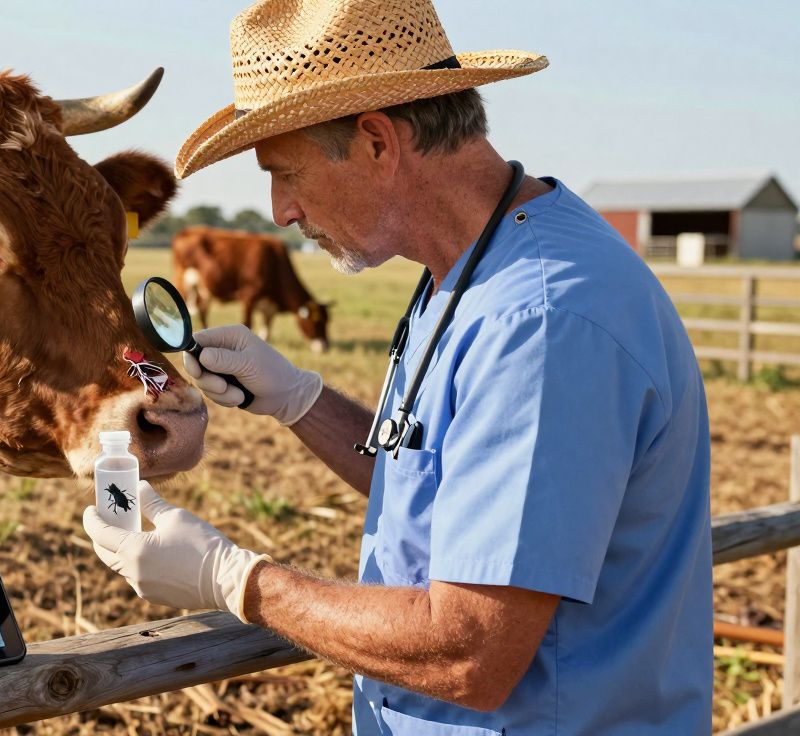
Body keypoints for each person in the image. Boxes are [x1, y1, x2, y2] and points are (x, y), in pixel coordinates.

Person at [82, 0, 713, 733]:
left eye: (285, 173)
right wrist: (300, 402)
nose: (280, 211)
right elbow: (453, 490)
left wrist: (235, 580)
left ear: (378, 141)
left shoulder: (538, 322)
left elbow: (470, 653)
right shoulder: (466, 271)